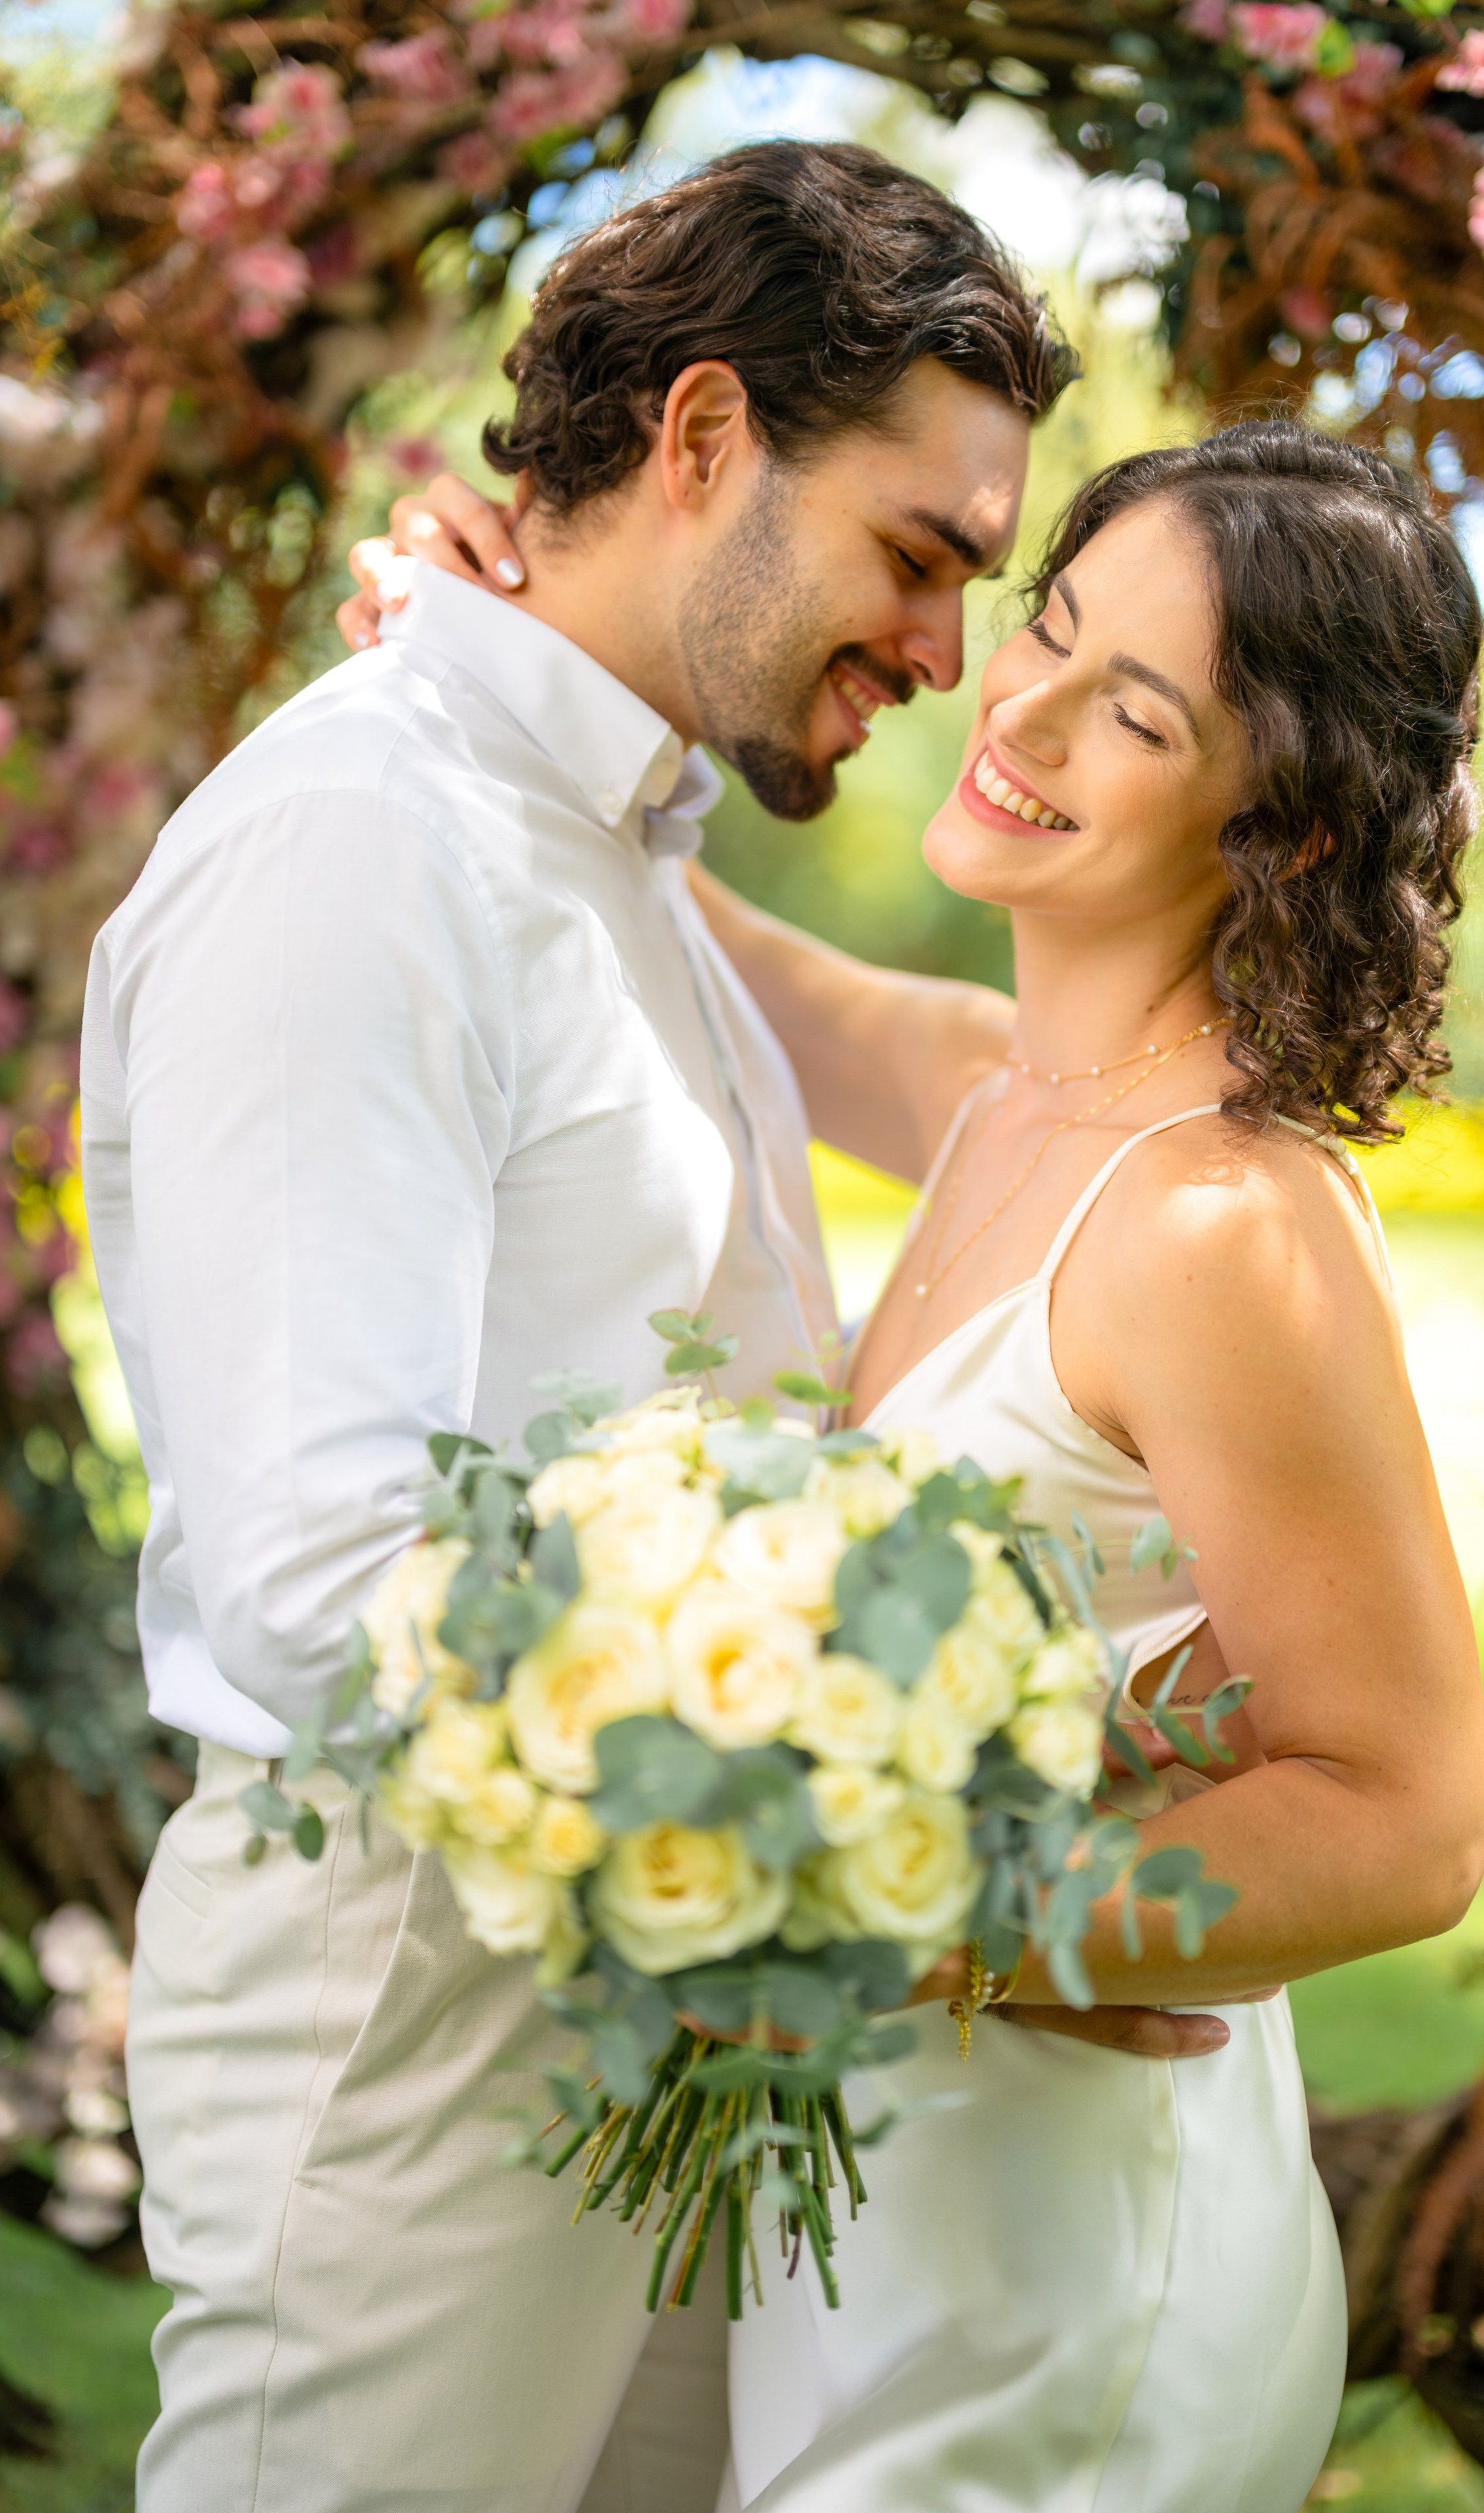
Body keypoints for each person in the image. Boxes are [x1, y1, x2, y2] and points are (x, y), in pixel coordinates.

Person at [76, 137, 1149, 2513]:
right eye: (922, 555)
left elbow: (981, 1118)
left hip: (683, 1984)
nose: (951, 655)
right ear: (700, 440)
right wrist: (861, 1819)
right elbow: (321, 1568)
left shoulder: (615, 848)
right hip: (417, 1996)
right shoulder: (363, 842)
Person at [347, 417, 1484, 2510]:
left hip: (1068, 2277)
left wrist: (907, 1917)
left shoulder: (1221, 1226)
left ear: (1290, 833)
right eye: (1046, 629)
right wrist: (505, 636)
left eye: (1131, 709)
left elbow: (1412, 1818)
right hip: (901, 2222)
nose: (1018, 710)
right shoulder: (1004, 1089)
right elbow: (671, 931)